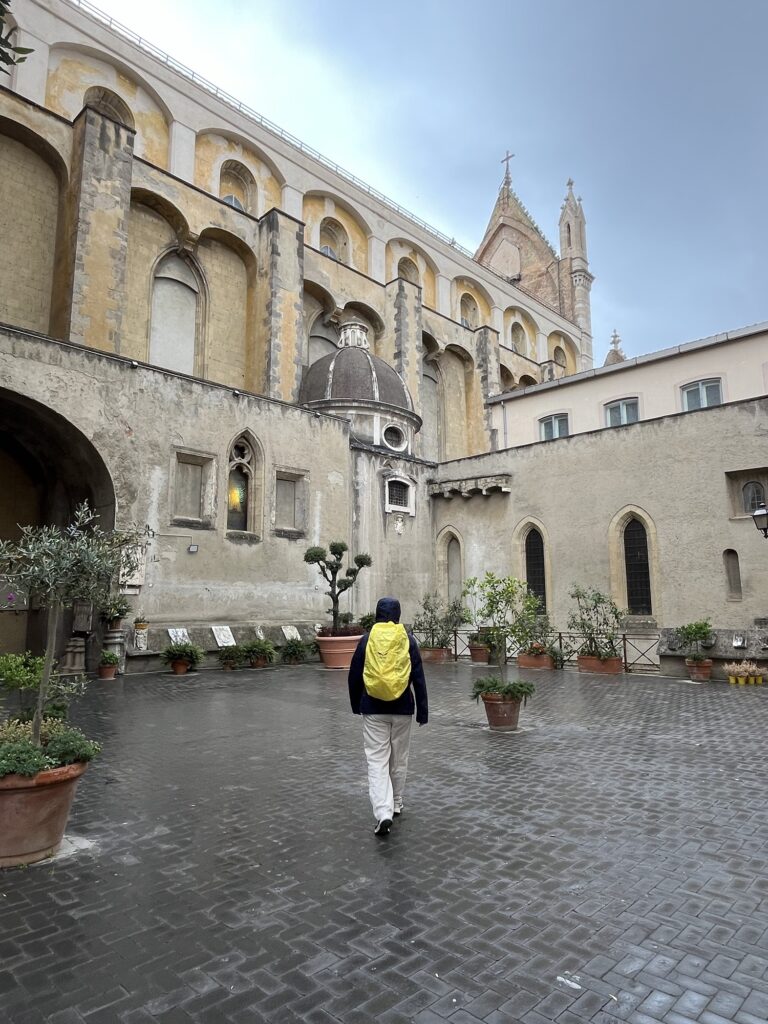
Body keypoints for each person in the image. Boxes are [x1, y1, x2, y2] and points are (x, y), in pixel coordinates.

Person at [348, 596, 428, 837]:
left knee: (377, 760)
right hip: (403, 709)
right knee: (399, 758)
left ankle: (383, 812)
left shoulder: (367, 639)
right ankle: (397, 802)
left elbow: (354, 674)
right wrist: (422, 711)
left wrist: (356, 705)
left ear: (377, 614)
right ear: (398, 614)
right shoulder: (408, 639)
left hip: (373, 709)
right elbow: (418, 676)